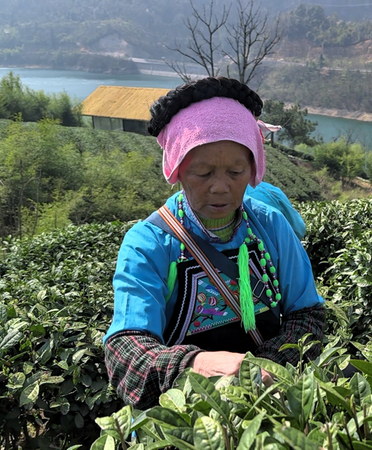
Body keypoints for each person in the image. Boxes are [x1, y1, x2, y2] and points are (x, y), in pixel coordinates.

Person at [103, 77, 325, 409]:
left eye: (235, 172)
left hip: (269, 401)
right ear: (176, 170)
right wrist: (193, 366)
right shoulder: (149, 243)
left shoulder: (271, 226)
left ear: (253, 169)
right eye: (203, 173)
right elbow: (127, 352)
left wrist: (264, 369)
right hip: (188, 418)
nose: (220, 187)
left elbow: (307, 315)